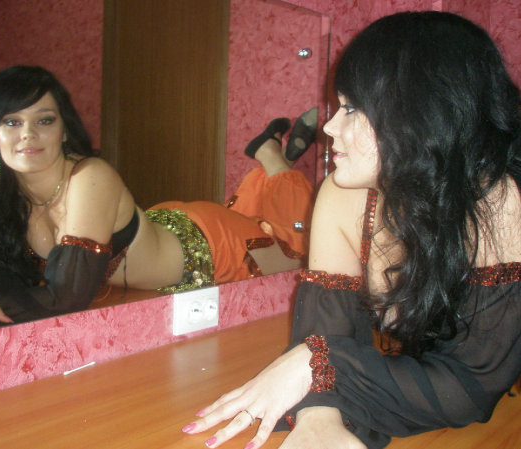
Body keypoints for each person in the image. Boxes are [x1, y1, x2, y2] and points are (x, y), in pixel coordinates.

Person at [181, 11, 521, 449]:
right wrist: (318, 416)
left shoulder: (497, 202)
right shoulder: (342, 197)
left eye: (353, 108)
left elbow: (472, 386)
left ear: (422, 114)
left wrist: (317, 365)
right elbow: (326, 337)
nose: (329, 126)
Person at [0, 65, 316, 337]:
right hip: (158, 230)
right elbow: (8, 270)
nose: (28, 134)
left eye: (44, 120)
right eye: (11, 122)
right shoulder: (6, 193)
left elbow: (66, 298)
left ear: (63, 131)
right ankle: (272, 159)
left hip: (210, 249)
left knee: (298, 244)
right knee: (261, 217)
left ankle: (270, 156)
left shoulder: (90, 177)